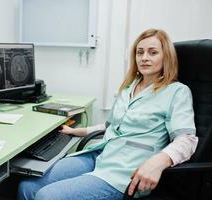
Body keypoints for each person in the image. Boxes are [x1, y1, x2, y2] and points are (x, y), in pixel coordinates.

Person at [17, 29, 198, 200]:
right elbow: (110, 126)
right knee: (27, 187)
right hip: (101, 154)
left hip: (125, 171)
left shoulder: (177, 92)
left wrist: (158, 162)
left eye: (152, 52)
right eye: (139, 52)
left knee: (46, 196)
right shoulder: (129, 87)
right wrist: (78, 131)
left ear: (166, 57)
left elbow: (186, 140)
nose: (144, 58)